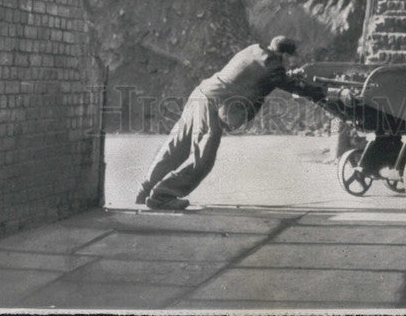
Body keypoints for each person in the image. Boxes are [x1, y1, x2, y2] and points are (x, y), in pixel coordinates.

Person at [135, 36, 319, 210]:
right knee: (203, 160)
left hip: (201, 93)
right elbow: (293, 86)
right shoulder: (273, 67)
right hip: (213, 106)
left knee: (176, 147)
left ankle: (144, 191)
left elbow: (259, 74)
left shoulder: (253, 49)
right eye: (287, 59)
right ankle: (163, 196)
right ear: (283, 55)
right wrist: (322, 92)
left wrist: (286, 75)